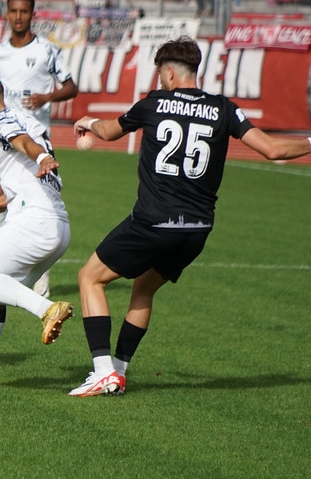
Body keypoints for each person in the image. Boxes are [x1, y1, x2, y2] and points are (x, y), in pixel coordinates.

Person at [68, 37, 311, 397]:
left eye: (159, 73)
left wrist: (88, 120)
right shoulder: (224, 108)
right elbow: (273, 150)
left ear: (168, 72)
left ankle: (103, 371)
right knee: (144, 288)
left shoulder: (154, 102)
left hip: (153, 222)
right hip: (197, 230)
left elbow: (108, 131)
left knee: (89, 277)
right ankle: (118, 372)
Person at [0, 74, 73, 387]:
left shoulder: (1, 121)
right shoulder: (27, 120)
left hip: (34, 222)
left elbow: (22, 142)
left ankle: (47, 309)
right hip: (57, 225)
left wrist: (42, 156)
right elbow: (27, 177)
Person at [0, 0, 77, 297]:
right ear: (7, 14)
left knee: (32, 205)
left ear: (32, 14)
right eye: (13, 11)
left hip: (34, 139)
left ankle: (39, 274)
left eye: (24, 11)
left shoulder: (46, 51)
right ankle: (0, 270)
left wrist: (46, 97)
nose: (18, 17)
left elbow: (71, 87)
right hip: (2, 138)